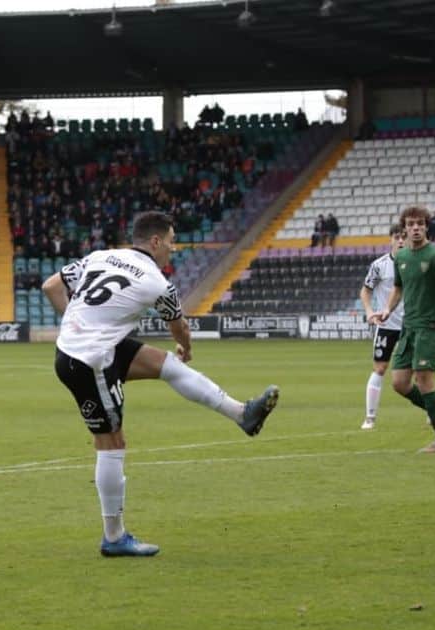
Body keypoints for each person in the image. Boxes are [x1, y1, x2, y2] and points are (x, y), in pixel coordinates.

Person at [41, 211, 280, 557]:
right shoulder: (157, 282)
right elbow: (179, 326)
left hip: (90, 347)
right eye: (170, 240)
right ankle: (113, 537)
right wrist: (187, 346)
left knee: (165, 365)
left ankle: (242, 413)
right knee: (111, 441)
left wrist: (75, 323)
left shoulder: (101, 256)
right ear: (154, 242)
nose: (174, 247)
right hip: (90, 360)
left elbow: (52, 286)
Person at [378, 206, 435, 453]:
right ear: (404, 228)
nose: (415, 228)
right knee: (399, 383)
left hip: (429, 327)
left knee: (424, 378)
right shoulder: (403, 258)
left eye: (420, 223)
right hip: (408, 327)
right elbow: (398, 288)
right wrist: (387, 310)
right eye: (411, 224)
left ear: (427, 226)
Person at [359, 224, 407, 430]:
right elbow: (365, 291)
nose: (401, 241)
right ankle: (370, 418)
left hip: (410, 325)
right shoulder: (379, 265)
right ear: (391, 239)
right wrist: (370, 311)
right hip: (386, 325)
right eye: (397, 237)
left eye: (403, 237)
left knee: (420, 371)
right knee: (380, 368)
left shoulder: (414, 263)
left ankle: (433, 414)